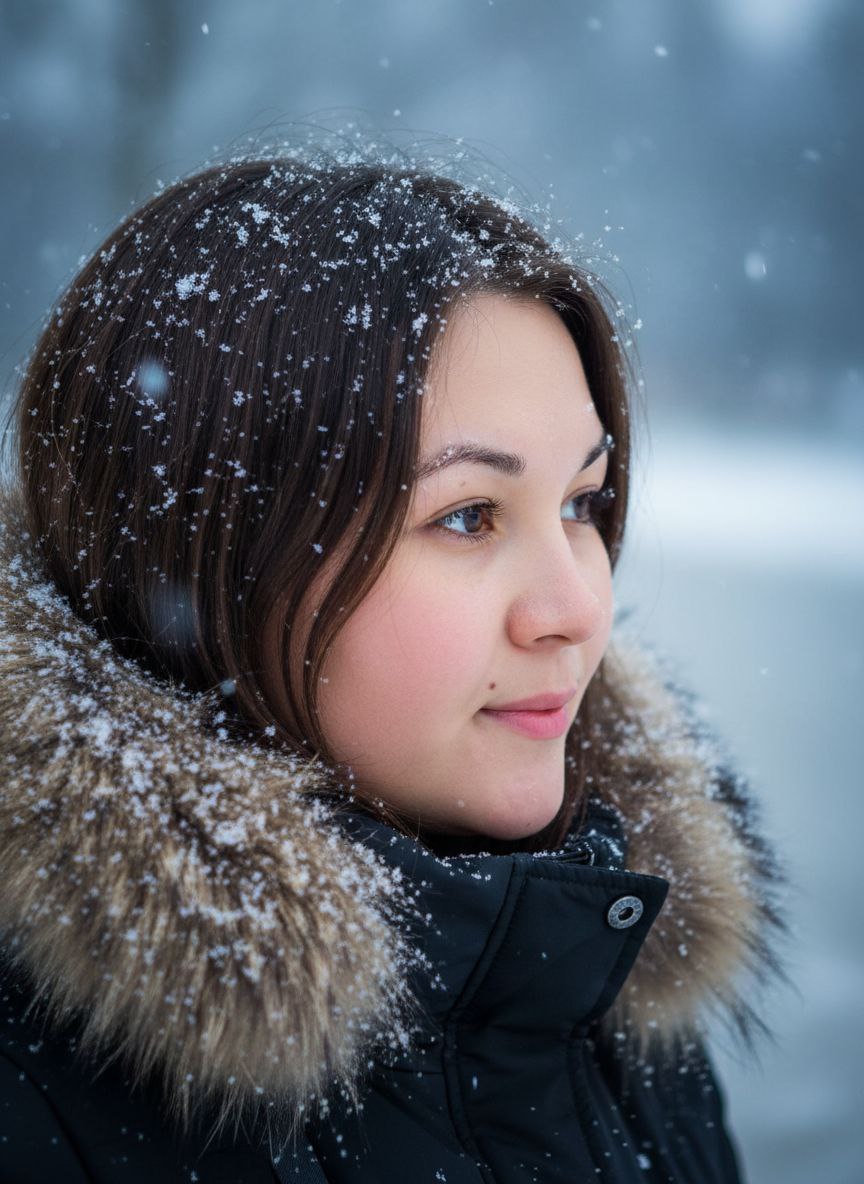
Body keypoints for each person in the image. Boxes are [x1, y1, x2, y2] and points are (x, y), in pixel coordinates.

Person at [0, 154, 783, 1182]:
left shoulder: (606, 964)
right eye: (467, 515)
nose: (576, 609)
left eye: (582, 504)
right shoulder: (38, 1093)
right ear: (211, 555)